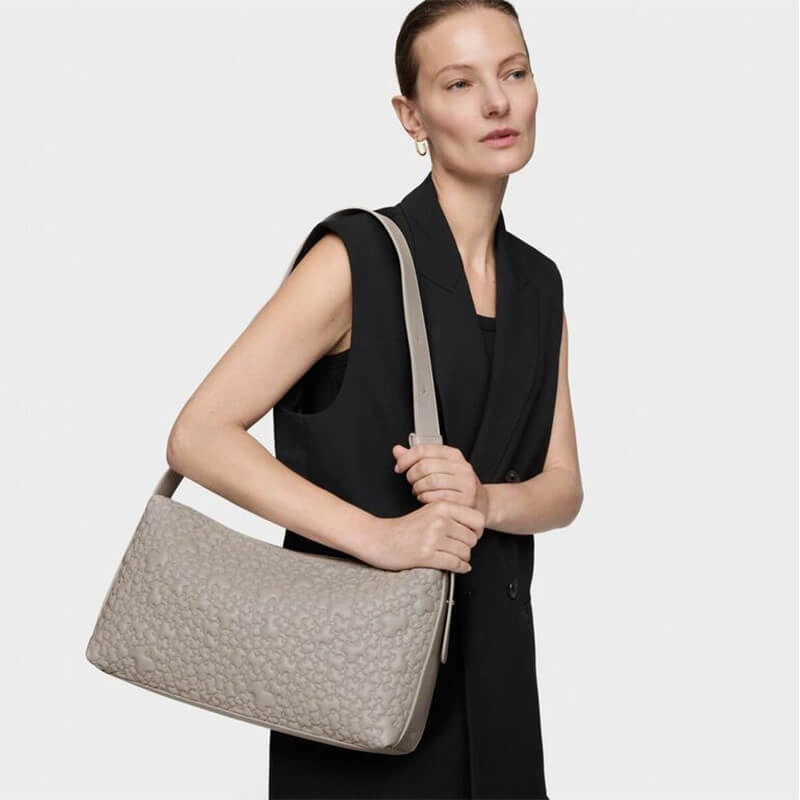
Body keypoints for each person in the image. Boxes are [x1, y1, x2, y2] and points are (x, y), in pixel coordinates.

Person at [166, 1, 583, 797]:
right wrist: (381, 538)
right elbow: (198, 435)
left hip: (497, 677)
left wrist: (483, 500)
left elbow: (562, 487)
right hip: (355, 675)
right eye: (459, 84)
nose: (498, 102)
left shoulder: (541, 284)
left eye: (514, 72)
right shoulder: (355, 256)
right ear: (411, 116)